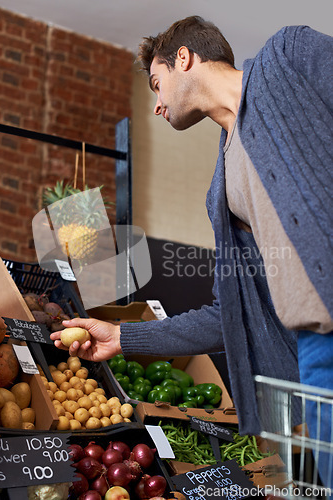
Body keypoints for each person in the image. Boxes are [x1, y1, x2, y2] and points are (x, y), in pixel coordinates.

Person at [51, 16, 332, 486]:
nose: (157, 105)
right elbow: (231, 315)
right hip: (313, 355)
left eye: (158, 85)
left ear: (184, 58)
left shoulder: (288, 58)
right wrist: (124, 337)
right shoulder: (222, 192)